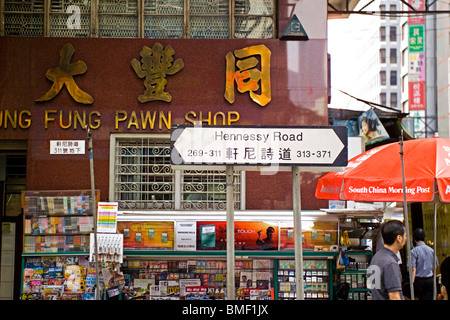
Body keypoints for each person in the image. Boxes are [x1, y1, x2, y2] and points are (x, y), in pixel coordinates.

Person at [369, 220, 407, 300]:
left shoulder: (376, 257)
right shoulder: (390, 263)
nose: (406, 239)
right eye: (405, 235)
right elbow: (394, 297)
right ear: (399, 238)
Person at [411, 228, 437, 300]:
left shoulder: (413, 252)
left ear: (414, 239)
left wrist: (412, 284)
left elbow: (413, 269)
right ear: (424, 238)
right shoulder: (431, 250)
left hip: (419, 281)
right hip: (430, 280)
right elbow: (434, 266)